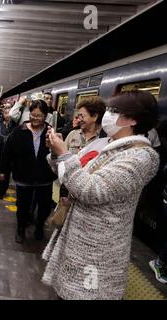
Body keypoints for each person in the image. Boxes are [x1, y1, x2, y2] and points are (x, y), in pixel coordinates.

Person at [42, 90, 160, 300]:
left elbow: (91, 190)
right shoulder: (110, 146)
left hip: (98, 251)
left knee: (85, 295)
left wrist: (64, 154)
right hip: (82, 240)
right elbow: (70, 173)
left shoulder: (140, 157)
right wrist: (55, 152)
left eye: (115, 111)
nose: (108, 114)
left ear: (133, 119)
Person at [0, 100, 57, 243]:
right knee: (22, 206)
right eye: (33, 115)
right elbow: (7, 153)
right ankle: (21, 229)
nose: (35, 118)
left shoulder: (51, 132)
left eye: (40, 116)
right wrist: (2, 170)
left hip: (45, 177)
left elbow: (57, 153)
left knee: (44, 207)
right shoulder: (19, 131)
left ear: (46, 116)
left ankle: (40, 226)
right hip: (24, 176)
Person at [0, 103, 16, 199]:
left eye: (9, 108)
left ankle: (1, 191)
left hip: (8, 153)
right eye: (5, 109)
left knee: (5, 171)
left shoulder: (14, 124)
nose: (7, 111)